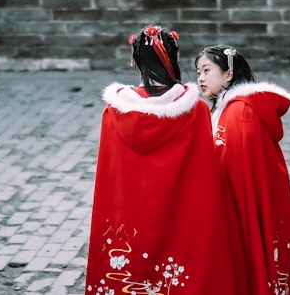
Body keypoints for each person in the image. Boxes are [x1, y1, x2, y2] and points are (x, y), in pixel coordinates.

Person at [84, 26, 236, 295]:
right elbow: (203, 176)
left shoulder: (113, 113)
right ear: (174, 59)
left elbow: (110, 179)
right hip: (181, 215)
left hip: (128, 218)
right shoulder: (195, 110)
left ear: (135, 60)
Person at [195, 45, 290, 295]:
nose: (200, 78)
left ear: (228, 74)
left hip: (242, 206)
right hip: (233, 203)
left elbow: (242, 167)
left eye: (206, 70)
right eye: (198, 72)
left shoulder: (242, 112)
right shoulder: (226, 109)